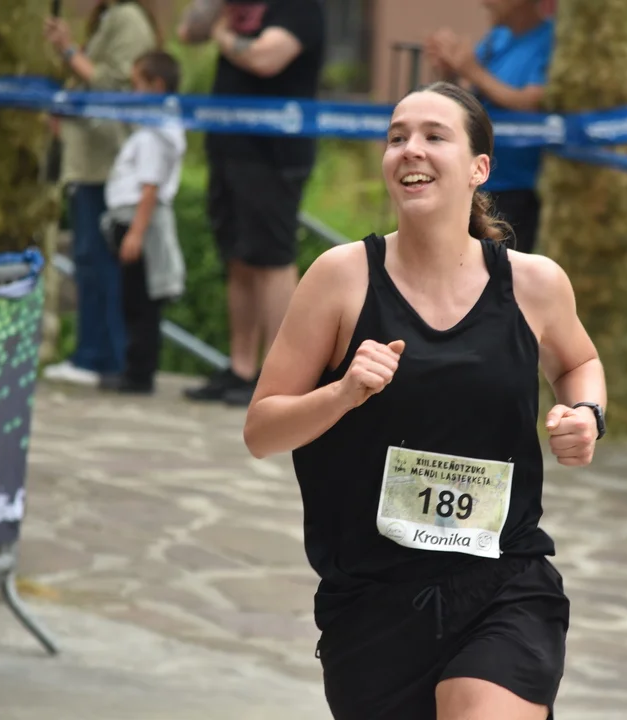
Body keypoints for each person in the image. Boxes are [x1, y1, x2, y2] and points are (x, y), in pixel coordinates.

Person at [243, 81, 606, 720]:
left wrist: (586, 414)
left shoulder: (535, 283)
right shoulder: (340, 277)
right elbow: (261, 431)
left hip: (504, 580)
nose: (410, 148)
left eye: (434, 136)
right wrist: (342, 393)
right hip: (372, 598)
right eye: (397, 137)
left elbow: (579, 362)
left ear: (478, 168)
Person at [179, 0, 326, 407]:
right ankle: (241, 368)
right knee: (238, 259)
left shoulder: (300, 7)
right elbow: (187, 32)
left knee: (271, 260)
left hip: (274, 155)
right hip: (229, 148)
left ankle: (276, 374)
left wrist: (222, 34)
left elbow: (265, 59)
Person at [41, 0, 159, 387]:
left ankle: (102, 357)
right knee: (89, 262)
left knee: (99, 263)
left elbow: (115, 86)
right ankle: (93, 354)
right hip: (89, 163)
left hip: (106, 166)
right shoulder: (110, 18)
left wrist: (69, 51)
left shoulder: (128, 19)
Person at [425, 0, 554, 255]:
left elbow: (531, 103)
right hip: (476, 183)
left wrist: (472, 70)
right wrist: (451, 73)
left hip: (517, 189)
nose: (484, 3)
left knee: (501, 270)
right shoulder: (498, 37)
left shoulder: (549, 41)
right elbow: (474, 97)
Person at [99, 50, 187, 395]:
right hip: (133, 219)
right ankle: (133, 368)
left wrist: (136, 233)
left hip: (140, 222)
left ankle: (139, 374)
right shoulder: (152, 127)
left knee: (141, 304)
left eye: (137, 84)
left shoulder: (156, 134)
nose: (132, 92)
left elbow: (150, 187)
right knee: (133, 300)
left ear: (157, 85)